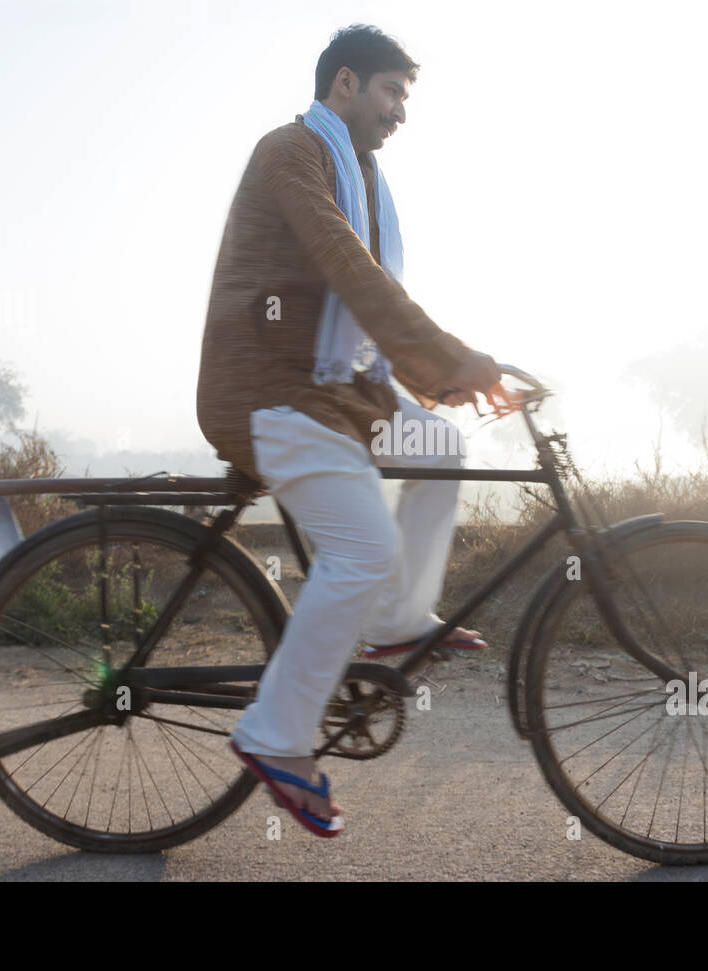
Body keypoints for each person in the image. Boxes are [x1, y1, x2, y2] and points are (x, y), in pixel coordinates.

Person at [195, 24, 503, 837]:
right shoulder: (291, 153)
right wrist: (447, 358)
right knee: (364, 545)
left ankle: (395, 626)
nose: (401, 111)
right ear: (343, 85)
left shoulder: (360, 171)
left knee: (441, 449)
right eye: (391, 92)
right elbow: (346, 266)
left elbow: (362, 298)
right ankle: (274, 736)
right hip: (269, 388)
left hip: (338, 390)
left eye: (406, 96)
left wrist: (443, 375)